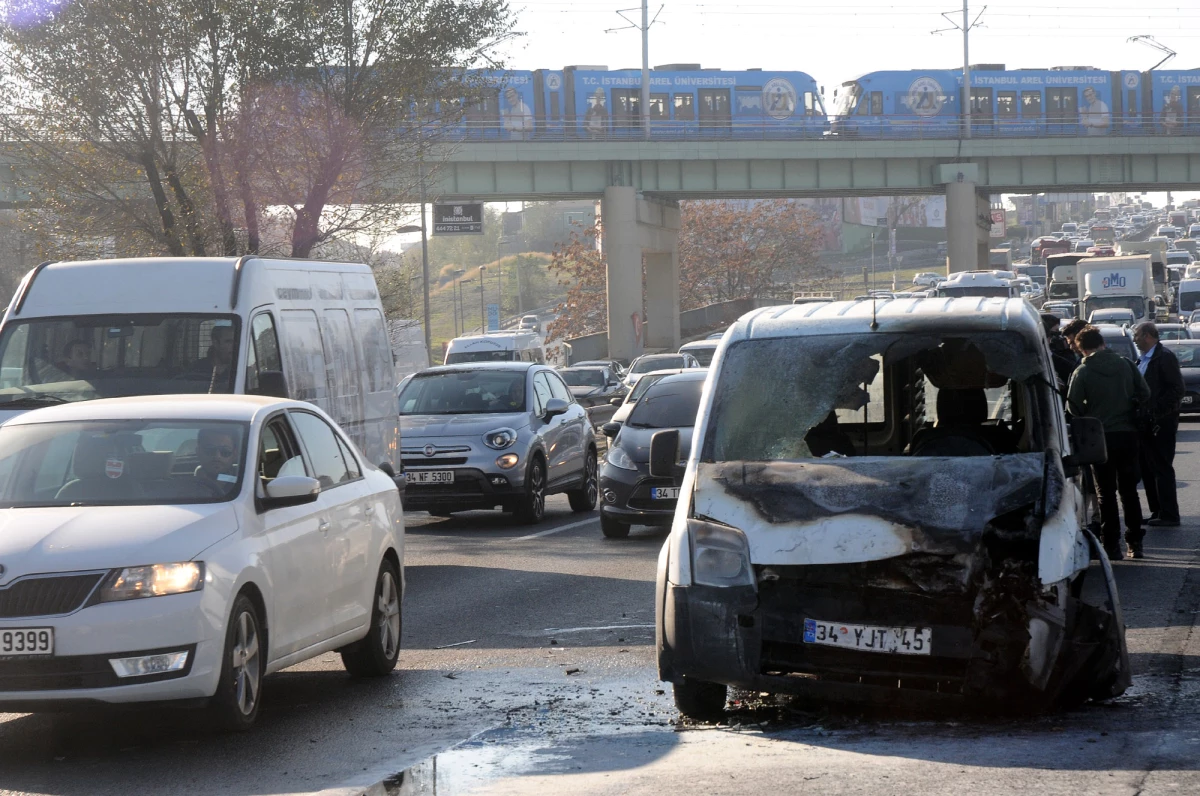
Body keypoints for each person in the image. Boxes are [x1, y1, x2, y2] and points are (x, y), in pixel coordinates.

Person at [1067, 326, 1151, 559]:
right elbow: (1145, 393)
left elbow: (1072, 407)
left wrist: (1091, 413)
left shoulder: (1082, 371)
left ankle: (1111, 545)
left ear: (1082, 348)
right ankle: (1135, 542)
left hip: (1099, 438)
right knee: (1129, 491)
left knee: (1105, 493)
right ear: (1102, 342)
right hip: (1128, 434)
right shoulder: (1125, 364)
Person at [1133, 321, 1184, 527]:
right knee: (1148, 469)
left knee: (1162, 468)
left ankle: (1170, 514)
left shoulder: (1164, 357)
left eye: (1136, 335)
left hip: (1161, 424)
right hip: (1144, 424)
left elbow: (1176, 391)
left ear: (1147, 335)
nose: (1134, 339)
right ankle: (1157, 511)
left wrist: (1156, 414)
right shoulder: (1143, 359)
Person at [1042, 313, 1076, 388]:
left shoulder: (1061, 350)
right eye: (1054, 332)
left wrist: (1066, 350)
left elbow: (1071, 369)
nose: (1057, 337)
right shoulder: (1043, 355)